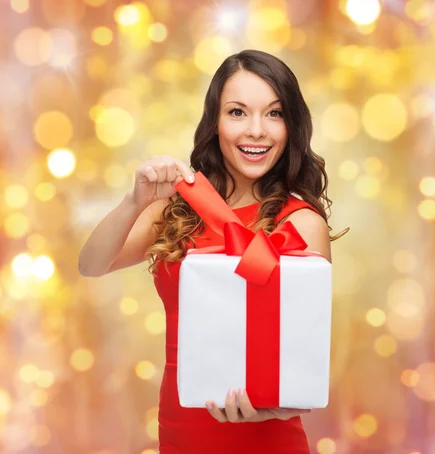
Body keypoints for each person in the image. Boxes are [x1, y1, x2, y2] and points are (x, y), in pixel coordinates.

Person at [79, 49, 347, 454]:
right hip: (181, 433)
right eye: (238, 112)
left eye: (274, 113)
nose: (256, 130)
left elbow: (302, 357)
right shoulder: (178, 207)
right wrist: (135, 200)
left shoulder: (301, 222)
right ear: (215, 123)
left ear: (292, 126)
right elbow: (91, 264)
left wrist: (270, 410)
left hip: (266, 441)